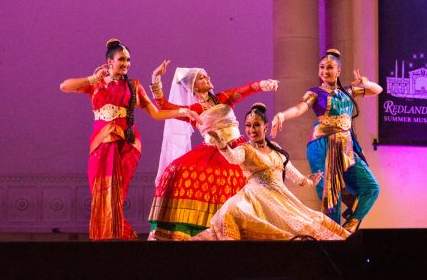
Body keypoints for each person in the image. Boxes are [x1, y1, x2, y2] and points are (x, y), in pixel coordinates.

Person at [59, 39, 200, 240]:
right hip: (101, 143)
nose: (126, 63)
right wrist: (91, 78)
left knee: (115, 197)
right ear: (110, 62)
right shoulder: (95, 84)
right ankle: (117, 237)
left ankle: (116, 238)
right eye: (121, 59)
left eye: (128, 60)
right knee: (101, 196)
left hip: (126, 145)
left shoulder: (133, 86)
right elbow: (64, 86)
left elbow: (156, 113)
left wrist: (184, 111)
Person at [147, 64, 278, 240]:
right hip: (212, 150)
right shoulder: (192, 110)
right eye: (202, 77)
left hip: (237, 147)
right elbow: (163, 106)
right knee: (175, 170)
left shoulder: (223, 98)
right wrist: (156, 78)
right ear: (193, 86)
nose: (207, 78)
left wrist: (264, 84)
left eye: (207, 75)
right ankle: (204, 229)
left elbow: (246, 89)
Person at [193, 103, 350, 240]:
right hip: (256, 197)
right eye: (248, 125)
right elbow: (232, 158)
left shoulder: (276, 149)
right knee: (231, 212)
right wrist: (220, 142)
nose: (251, 129)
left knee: (305, 223)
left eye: (256, 125)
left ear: (265, 127)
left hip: (280, 197)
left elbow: (292, 172)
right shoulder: (245, 149)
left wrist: (309, 181)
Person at [271, 49, 383, 232]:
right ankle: (332, 237)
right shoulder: (314, 92)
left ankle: (351, 224)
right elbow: (300, 108)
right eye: (322, 67)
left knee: (372, 187)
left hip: (345, 147)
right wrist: (282, 116)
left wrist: (367, 83)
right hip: (321, 145)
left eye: (329, 67)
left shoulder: (348, 91)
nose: (325, 71)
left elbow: (378, 90)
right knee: (330, 195)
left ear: (338, 71)